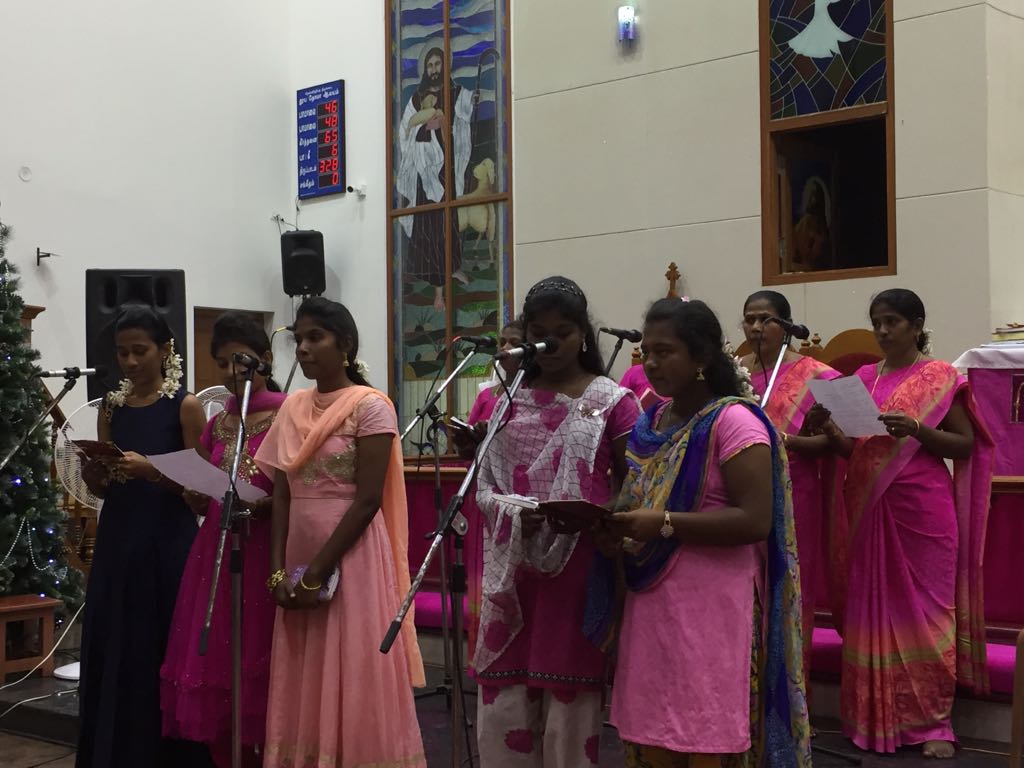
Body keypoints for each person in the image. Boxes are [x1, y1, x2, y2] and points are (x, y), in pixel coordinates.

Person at [601, 297, 811, 768]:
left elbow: (755, 519)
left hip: (713, 609)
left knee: (707, 730)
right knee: (654, 730)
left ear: (701, 356)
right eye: (647, 352)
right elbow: (635, 494)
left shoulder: (734, 422)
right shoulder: (652, 421)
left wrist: (665, 524)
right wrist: (610, 523)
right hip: (652, 600)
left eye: (665, 351)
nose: (651, 363)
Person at [805, 289, 994, 757]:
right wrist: (828, 428)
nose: (883, 331)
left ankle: (932, 724)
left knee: (927, 615)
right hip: (868, 508)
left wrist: (918, 430)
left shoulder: (940, 376)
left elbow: (965, 444)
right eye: (877, 322)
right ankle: (873, 718)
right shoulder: (864, 379)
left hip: (922, 511)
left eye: (892, 321)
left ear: (916, 325)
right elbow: (856, 452)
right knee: (872, 610)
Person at [472, 276, 640, 767]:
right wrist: (506, 507)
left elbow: (635, 483)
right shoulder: (507, 396)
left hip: (578, 563)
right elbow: (489, 476)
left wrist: (602, 519)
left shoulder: (612, 400)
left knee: (568, 700)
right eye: (538, 333)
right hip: (513, 562)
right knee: (505, 699)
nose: (549, 343)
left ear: (583, 333)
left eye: (562, 332)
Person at [254, 297, 426, 768]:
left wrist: (319, 571)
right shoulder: (292, 407)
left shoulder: (370, 407)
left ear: (345, 344)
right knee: (305, 664)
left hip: (351, 556)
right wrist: (278, 571)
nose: (303, 349)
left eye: (315, 337)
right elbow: (282, 493)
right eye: (299, 339)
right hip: (299, 551)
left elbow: (368, 500)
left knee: (351, 663)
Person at [77, 306, 210, 768]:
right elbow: (106, 489)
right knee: (119, 643)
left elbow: (201, 489)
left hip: (168, 541)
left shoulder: (185, 407)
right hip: (119, 539)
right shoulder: (111, 406)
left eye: (140, 351)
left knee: (161, 642)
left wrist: (153, 471)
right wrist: (95, 474)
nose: (130, 362)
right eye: (122, 353)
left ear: (165, 349)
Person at [160, 312, 287, 768]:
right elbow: (206, 484)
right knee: (219, 658)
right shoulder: (219, 423)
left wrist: (266, 505)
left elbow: (298, 490)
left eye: (241, 360)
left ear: (265, 359)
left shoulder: (288, 414)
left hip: (266, 548)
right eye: (221, 363)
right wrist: (195, 493)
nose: (231, 371)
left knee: (261, 654)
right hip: (217, 548)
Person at [739, 290, 842, 678]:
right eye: (749, 319)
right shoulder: (732, 372)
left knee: (789, 591)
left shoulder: (819, 375)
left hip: (796, 496)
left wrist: (786, 441)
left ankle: (789, 694)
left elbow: (834, 444)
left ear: (786, 326)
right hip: (739, 496)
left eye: (765, 319)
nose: (755, 327)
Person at [397, 45, 475, 313]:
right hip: (424, 173)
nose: (433, 70)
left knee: (447, 221)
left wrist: (471, 100)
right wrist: (423, 126)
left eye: (437, 64)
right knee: (429, 227)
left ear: (444, 66)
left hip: (446, 169)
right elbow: (405, 131)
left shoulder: (455, 92)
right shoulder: (416, 99)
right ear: (424, 69)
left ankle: (453, 267)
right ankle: (436, 287)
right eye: (429, 65)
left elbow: (465, 110)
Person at [450, 319, 525, 458]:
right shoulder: (486, 395)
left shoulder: (535, 395)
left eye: (514, 343)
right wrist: (465, 442)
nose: (505, 347)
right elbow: (469, 453)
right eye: (502, 342)